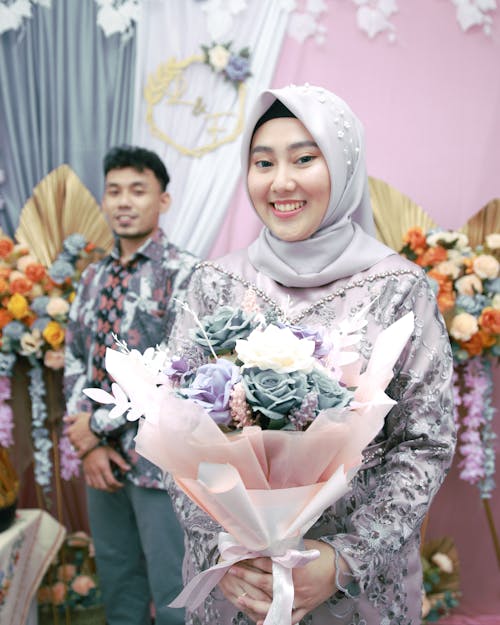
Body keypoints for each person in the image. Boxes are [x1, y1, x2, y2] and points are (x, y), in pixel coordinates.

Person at [163, 85, 456, 624]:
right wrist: (225, 553)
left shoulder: (399, 288)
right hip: (237, 586)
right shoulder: (213, 283)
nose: (281, 182)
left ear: (344, 167)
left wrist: (346, 557)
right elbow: (175, 434)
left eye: (304, 158)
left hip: (356, 592)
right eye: (262, 162)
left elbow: (425, 442)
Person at [63, 145, 198, 625]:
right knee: (118, 588)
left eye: (138, 190)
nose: (124, 201)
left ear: (163, 200)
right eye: (114, 191)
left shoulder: (184, 274)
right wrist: (89, 443)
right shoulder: (93, 277)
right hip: (103, 465)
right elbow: (78, 357)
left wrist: (96, 427)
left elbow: (175, 371)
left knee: (174, 591)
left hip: (159, 467)